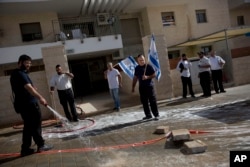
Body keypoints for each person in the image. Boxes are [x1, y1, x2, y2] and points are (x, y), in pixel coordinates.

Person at [10, 54, 53, 157]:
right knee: (35, 125)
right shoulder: (21, 74)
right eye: (26, 63)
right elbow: (29, 88)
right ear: (19, 63)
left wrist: (32, 90)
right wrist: (40, 97)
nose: (28, 65)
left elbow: (25, 88)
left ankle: (25, 149)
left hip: (22, 105)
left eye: (29, 63)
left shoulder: (15, 74)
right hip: (29, 104)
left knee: (28, 127)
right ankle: (41, 145)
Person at [132, 54, 159, 120]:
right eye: (140, 60)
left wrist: (147, 77)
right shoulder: (137, 68)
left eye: (143, 60)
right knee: (144, 102)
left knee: (152, 101)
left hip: (149, 86)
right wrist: (133, 87)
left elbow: (154, 74)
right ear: (138, 61)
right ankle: (148, 115)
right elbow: (135, 78)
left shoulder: (148, 66)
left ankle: (156, 115)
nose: (142, 61)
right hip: (142, 87)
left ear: (144, 59)